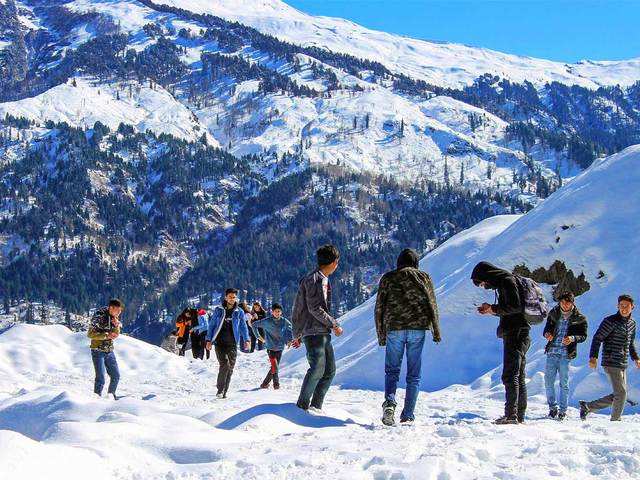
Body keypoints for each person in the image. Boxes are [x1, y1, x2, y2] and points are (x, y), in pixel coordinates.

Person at [375, 248, 441, 426]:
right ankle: (408, 414)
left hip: (394, 328)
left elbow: (379, 307)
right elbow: (431, 303)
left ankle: (389, 404)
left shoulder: (388, 278)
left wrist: (381, 334)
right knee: (414, 374)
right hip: (418, 328)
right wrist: (436, 330)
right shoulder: (423, 277)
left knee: (392, 371)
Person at [471, 261, 530, 425]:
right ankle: (518, 415)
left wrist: (493, 309)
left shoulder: (506, 281)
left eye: (482, 283)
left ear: (487, 276)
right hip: (520, 331)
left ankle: (511, 415)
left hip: (515, 332)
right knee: (519, 375)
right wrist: (492, 310)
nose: (484, 286)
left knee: (510, 375)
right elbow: (512, 308)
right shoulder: (507, 281)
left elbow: (515, 307)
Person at [292, 244, 343, 412]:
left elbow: (299, 307)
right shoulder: (313, 280)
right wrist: (333, 323)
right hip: (313, 332)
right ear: (334, 262)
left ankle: (316, 407)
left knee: (329, 370)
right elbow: (313, 308)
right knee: (317, 368)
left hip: (322, 331)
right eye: (337, 261)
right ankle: (302, 407)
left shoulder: (323, 279)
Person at [580, 294, 640, 421]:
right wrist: (593, 357)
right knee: (622, 393)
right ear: (617, 306)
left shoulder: (632, 324)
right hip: (610, 361)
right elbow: (597, 338)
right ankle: (615, 422)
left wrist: (636, 358)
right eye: (621, 305)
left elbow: (630, 343)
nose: (624, 308)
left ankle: (588, 406)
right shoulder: (610, 321)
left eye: (627, 306)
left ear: (632, 307)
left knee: (619, 394)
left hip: (623, 363)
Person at [543, 292, 588, 420]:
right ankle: (552, 408)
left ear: (572, 303)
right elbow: (546, 329)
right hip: (552, 352)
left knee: (564, 383)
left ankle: (563, 410)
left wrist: (572, 338)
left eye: (567, 302)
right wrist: (547, 334)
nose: (564, 304)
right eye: (562, 302)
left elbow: (583, 336)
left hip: (565, 354)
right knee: (548, 382)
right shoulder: (554, 313)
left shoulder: (580, 318)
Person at [205, 289, 251, 399]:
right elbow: (211, 325)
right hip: (220, 343)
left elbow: (243, 327)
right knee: (224, 364)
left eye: (234, 297)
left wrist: (247, 340)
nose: (232, 298)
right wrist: (208, 340)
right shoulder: (219, 310)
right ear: (226, 297)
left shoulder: (239, 311)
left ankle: (224, 391)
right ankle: (220, 390)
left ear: (236, 298)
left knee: (230, 368)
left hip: (232, 344)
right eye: (230, 296)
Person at [250, 303, 294, 389]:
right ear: (272, 312)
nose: (277, 313)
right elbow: (254, 325)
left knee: (274, 366)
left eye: (279, 311)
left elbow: (290, 329)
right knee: (274, 365)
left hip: (280, 347)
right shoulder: (267, 321)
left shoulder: (284, 321)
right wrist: (259, 337)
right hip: (270, 347)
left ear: (281, 312)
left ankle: (265, 383)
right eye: (275, 311)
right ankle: (276, 384)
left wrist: (289, 340)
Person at [88, 298, 124, 399]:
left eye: (120, 310)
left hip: (109, 350)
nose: (119, 313)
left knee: (116, 376)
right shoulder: (99, 316)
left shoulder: (113, 317)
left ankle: (111, 396)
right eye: (118, 310)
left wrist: (116, 326)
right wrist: (106, 336)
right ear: (111, 308)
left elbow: (116, 334)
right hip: (98, 350)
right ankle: (96, 398)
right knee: (100, 378)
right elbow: (90, 334)